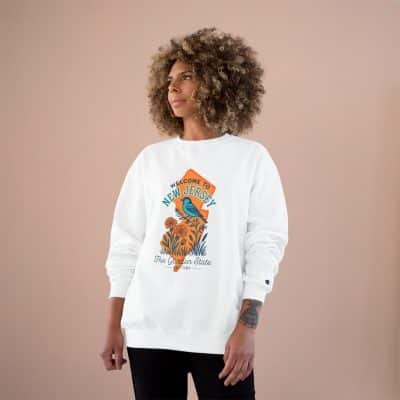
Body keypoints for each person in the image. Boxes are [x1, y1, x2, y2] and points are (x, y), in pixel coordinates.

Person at [99, 26, 289, 400]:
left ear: (219, 82)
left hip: (220, 332)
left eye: (186, 77)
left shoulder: (251, 159)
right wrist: (114, 325)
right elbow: (125, 246)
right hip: (150, 330)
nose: (173, 87)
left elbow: (265, 244)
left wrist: (247, 327)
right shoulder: (151, 160)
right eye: (169, 80)